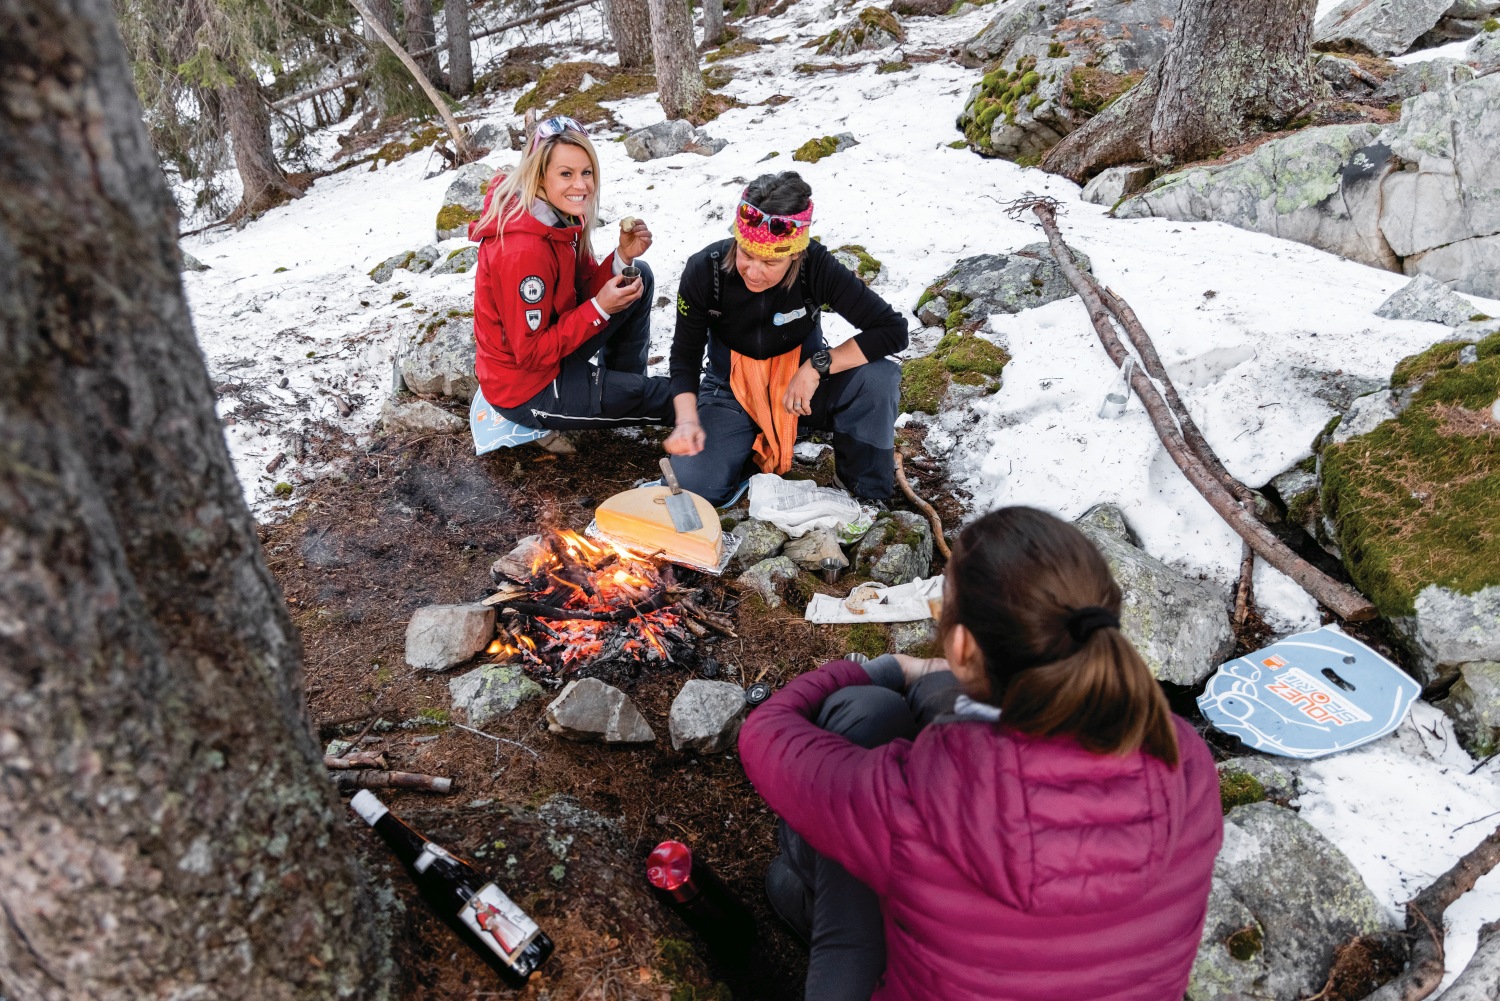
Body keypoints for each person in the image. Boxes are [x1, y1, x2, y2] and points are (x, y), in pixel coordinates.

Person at [738, 506, 1224, 1001]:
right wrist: (932, 677)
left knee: (801, 853)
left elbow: (765, 733)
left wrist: (876, 668)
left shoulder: (920, 798)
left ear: (964, 647)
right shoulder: (1185, 759)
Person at [663, 172, 908, 507]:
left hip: (800, 391)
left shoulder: (815, 266)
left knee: (879, 378)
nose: (753, 271)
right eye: (746, 253)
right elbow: (685, 355)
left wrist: (816, 367)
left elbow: (892, 331)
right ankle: (742, 452)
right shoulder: (706, 270)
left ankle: (861, 486)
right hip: (731, 391)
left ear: (795, 254)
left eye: (770, 261)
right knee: (694, 490)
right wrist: (688, 418)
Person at [469, 115, 672, 434]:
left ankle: (624, 391)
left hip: (555, 351)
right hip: (527, 388)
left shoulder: (556, 217)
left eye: (586, 172)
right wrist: (600, 308)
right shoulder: (524, 251)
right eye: (566, 174)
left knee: (635, 275)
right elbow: (531, 354)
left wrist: (622, 258)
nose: (582, 186)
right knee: (672, 397)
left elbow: (584, 287)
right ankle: (629, 397)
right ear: (539, 177)